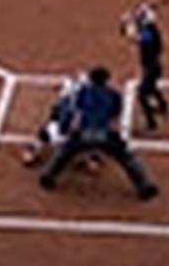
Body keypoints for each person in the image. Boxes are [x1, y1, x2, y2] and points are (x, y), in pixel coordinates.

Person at [39, 66, 158, 200]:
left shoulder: (83, 93)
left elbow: (73, 112)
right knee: (127, 158)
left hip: (83, 133)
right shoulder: (113, 94)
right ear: (106, 80)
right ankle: (145, 186)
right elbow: (115, 114)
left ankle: (48, 177)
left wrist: (67, 129)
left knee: (64, 154)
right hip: (104, 134)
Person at [21, 74, 89, 168]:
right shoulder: (81, 104)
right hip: (63, 134)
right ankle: (84, 159)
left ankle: (29, 153)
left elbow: (59, 92)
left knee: (45, 133)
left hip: (55, 128)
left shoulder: (68, 92)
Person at [124, 3, 169, 132]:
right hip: (153, 66)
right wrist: (137, 15)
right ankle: (163, 106)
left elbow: (133, 37)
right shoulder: (151, 29)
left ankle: (151, 123)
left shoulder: (149, 34)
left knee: (142, 95)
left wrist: (127, 22)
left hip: (151, 68)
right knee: (152, 87)